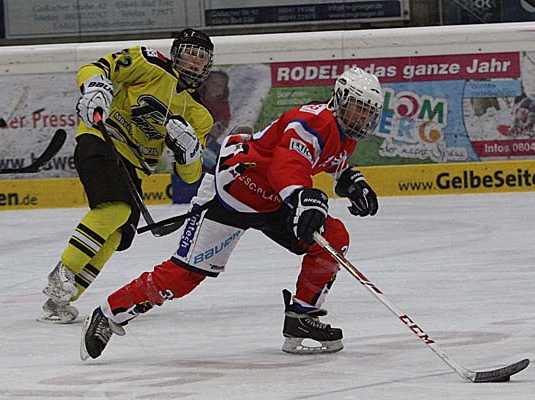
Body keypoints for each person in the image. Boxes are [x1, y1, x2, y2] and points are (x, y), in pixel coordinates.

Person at [79, 67, 384, 360]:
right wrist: (303, 196)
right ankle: (109, 312)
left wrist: (351, 181)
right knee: (183, 277)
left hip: (272, 201)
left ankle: (302, 317)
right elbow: (287, 165)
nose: (363, 117)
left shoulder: (345, 133)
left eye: (369, 112)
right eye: (358, 108)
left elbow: (331, 159)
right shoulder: (311, 122)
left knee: (333, 237)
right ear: (340, 100)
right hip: (231, 191)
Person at [40, 29, 215, 323]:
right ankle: (62, 273)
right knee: (116, 208)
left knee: (119, 233)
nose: (194, 60)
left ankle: (61, 301)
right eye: (189, 52)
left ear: (208, 64)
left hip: (134, 167)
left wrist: (188, 152)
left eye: (201, 56)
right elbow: (96, 67)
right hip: (102, 139)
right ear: (175, 53)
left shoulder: (200, 115)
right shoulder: (148, 62)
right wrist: (95, 88)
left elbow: (190, 176)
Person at [198, 69, 231, 174]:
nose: (216, 88)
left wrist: (219, 127)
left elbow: (224, 120)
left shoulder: (222, 103)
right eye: (213, 83)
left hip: (209, 141)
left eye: (220, 86)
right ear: (205, 83)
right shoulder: (196, 98)